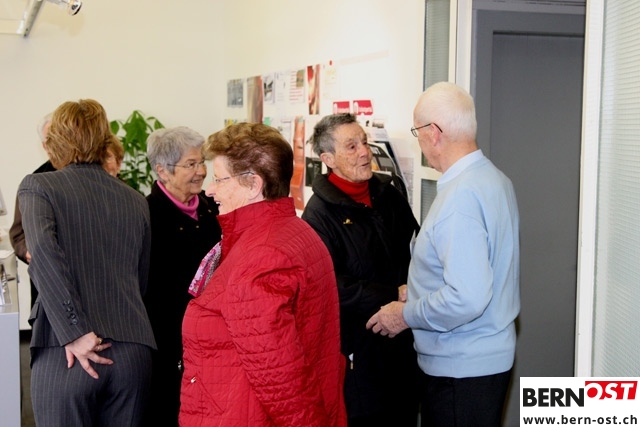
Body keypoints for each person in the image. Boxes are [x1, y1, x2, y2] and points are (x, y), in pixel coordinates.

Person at [366, 82, 520, 427]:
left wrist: (406, 314)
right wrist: (421, 290)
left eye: (417, 132)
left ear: (433, 133)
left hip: (460, 369)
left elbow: (467, 297)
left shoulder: (460, 199)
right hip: (484, 359)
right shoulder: (494, 179)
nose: (420, 143)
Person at [179, 122, 347, 427]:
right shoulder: (291, 232)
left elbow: (282, 382)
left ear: (253, 185)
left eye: (220, 179)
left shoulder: (262, 256)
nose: (210, 190)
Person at [18, 99, 157, 427]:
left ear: (56, 141)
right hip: (132, 353)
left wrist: (75, 332)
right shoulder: (135, 199)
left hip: (67, 353)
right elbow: (140, 279)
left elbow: (44, 257)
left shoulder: (39, 186)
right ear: (104, 140)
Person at [301, 113, 421, 426]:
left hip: (406, 340)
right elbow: (331, 285)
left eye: (364, 143)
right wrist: (393, 293)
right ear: (328, 159)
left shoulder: (389, 193)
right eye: (351, 147)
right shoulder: (318, 215)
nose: (365, 152)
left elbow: (417, 247)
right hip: (360, 354)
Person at [142, 126, 222, 427]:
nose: (201, 171)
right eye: (191, 164)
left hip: (212, 333)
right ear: (162, 170)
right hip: (167, 339)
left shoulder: (212, 208)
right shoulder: (146, 215)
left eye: (202, 162)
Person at [9, 113, 55, 308]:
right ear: (44, 146)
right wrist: (27, 251)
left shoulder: (88, 176)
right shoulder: (33, 183)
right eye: (51, 139)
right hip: (46, 285)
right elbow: (18, 234)